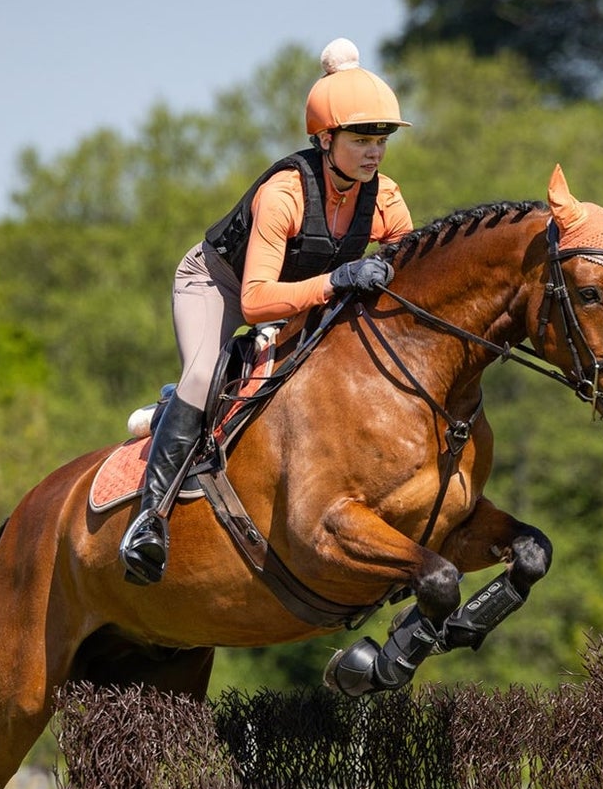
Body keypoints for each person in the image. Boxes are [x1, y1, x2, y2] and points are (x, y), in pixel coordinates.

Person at [119, 38, 416, 584]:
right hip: (220, 284)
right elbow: (256, 301)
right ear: (326, 139)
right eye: (361, 139)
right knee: (206, 375)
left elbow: (411, 260)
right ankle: (148, 521)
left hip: (297, 295)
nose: (374, 152)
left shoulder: (385, 195)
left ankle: (174, 412)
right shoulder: (285, 193)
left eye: (382, 139)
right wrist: (338, 278)